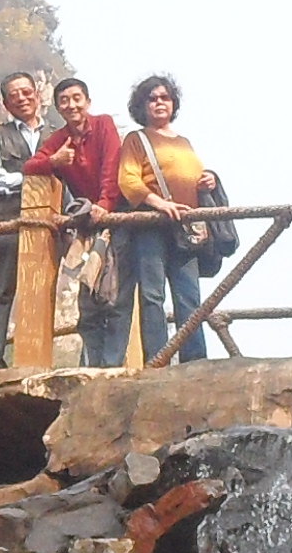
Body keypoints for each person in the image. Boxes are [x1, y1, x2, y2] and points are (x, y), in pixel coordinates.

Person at [112, 71, 218, 365]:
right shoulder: (137, 139)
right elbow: (129, 180)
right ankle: (158, 358)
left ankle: (195, 358)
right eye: (152, 98)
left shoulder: (184, 142)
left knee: (189, 295)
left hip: (186, 226)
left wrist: (207, 179)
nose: (159, 103)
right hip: (151, 225)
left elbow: (191, 175)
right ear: (142, 106)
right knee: (152, 294)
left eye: (165, 98)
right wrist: (157, 203)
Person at [34, 76, 129, 365]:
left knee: (115, 292)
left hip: (118, 217)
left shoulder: (103, 125)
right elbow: (31, 164)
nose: (71, 105)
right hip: (87, 224)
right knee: (86, 293)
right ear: (58, 107)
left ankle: (111, 364)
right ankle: (93, 361)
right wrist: (54, 161)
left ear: (87, 101)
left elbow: (112, 164)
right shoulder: (59, 139)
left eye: (77, 98)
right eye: (64, 100)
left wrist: (105, 203)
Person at [0, 70, 49, 357]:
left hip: (50, 224)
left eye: (26, 92)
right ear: (5, 103)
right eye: (14, 95)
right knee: (2, 290)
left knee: (43, 290)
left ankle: (39, 356)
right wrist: (33, 177)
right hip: (7, 222)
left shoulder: (56, 135)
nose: (22, 98)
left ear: (38, 95)